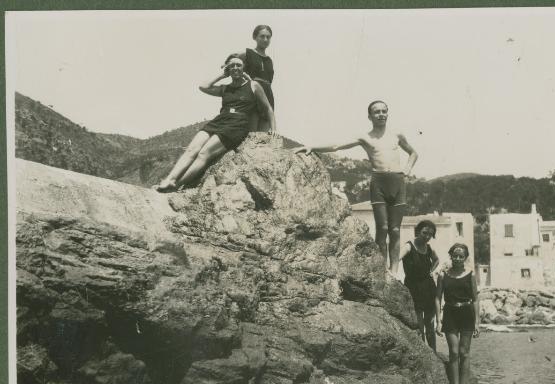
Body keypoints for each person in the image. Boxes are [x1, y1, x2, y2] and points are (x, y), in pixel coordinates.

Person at [294, 101, 418, 278]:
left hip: (397, 182)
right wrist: (313, 147)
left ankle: (395, 271)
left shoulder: (396, 134)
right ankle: (382, 270)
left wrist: (407, 169)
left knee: (395, 230)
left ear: (388, 114)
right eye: (377, 112)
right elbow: (337, 145)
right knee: (382, 228)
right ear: (370, 116)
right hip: (379, 182)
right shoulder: (365, 137)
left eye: (384, 111)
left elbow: (413, 153)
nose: (381, 114)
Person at [155, 54, 276, 192]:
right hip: (220, 120)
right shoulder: (225, 88)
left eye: (238, 65)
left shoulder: (253, 85)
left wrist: (274, 129)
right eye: (231, 66)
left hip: (237, 124)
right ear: (228, 70)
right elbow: (203, 86)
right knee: (191, 149)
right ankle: (169, 179)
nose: (235, 68)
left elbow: (268, 108)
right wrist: (221, 75)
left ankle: (176, 185)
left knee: (203, 154)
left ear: (244, 68)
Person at [435, 243, 480, 384]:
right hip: (450, 314)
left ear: (465, 258)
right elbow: (438, 297)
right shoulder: (443, 275)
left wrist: (477, 322)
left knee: (464, 352)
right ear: (451, 256)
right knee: (453, 352)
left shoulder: (471, 275)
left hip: (467, 313)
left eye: (461, 256)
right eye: (455, 255)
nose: (458, 259)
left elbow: (475, 299)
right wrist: (438, 320)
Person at [399, 220, 439, 350]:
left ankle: (433, 352)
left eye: (430, 234)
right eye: (425, 233)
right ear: (418, 232)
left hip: (428, 287)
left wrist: (432, 271)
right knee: (419, 323)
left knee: (429, 323)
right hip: (413, 286)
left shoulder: (429, 248)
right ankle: (424, 352)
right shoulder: (409, 246)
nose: (427, 237)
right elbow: (396, 258)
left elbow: (437, 260)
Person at [229, 25, 275, 131]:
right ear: (255, 37)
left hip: (267, 96)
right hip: (252, 95)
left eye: (268, 37)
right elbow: (231, 61)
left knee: (263, 137)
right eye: (262, 36)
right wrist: (245, 77)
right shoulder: (248, 53)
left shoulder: (269, 60)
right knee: (251, 135)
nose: (265, 39)